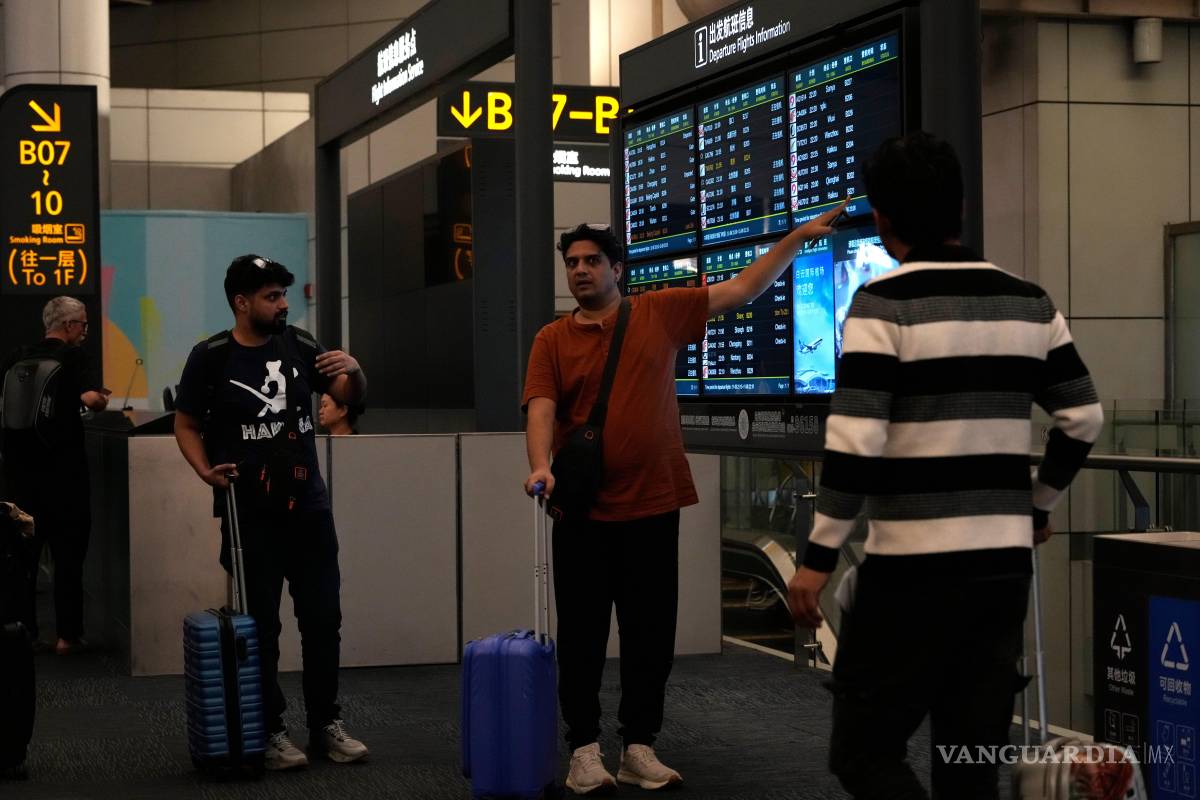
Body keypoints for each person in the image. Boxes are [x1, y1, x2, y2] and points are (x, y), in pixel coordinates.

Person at [786, 132, 1104, 799]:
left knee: (865, 752)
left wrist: (816, 562)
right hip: (999, 572)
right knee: (969, 765)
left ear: (883, 220)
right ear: (959, 209)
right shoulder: (1030, 303)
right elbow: (1082, 418)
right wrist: (1037, 506)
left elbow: (856, 443)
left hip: (909, 578)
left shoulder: (884, 305)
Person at [523, 209, 844, 795]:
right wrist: (540, 464)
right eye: (572, 263)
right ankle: (585, 749)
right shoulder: (552, 339)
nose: (581, 271)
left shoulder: (659, 312)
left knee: (651, 633)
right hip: (583, 511)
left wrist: (794, 240)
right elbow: (541, 405)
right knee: (583, 634)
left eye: (592, 260)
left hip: (652, 504)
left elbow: (744, 287)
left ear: (617, 268)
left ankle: (639, 746)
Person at [173, 255, 369, 770]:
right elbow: (187, 424)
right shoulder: (210, 357)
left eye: (284, 294)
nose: (284, 304)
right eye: (271, 296)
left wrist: (353, 371)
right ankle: (271, 729)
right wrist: (203, 471)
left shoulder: (300, 344)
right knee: (259, 628)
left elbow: (350, 396)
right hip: (248, 517)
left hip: (308, 509)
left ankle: (326, 724)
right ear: (241, 302)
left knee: (323, 621)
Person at [0, 296, 108, 656]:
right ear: (69, 326)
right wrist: (99, 398)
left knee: (23, 560)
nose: (86, 332)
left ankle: (23, 632)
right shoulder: (74, 359)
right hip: (65, 477)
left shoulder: (18, 357)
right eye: (84, 325)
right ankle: (67, 637)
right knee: (68, 558)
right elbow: (92, 400)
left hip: (18, 477)